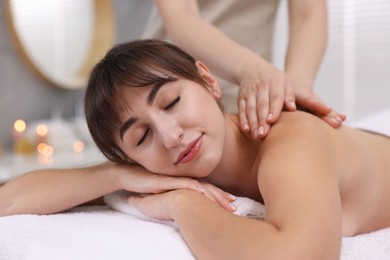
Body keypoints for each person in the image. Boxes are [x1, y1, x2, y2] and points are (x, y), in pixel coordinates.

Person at [1, 40, 389, 259]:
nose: (170, 135)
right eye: (141, 137)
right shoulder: (147, 167)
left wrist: (182, 206)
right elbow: (8, 201)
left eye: (171, 102)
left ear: (208, 80)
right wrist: (117, 174)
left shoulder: (290, 139)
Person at [145, 0, 346, 139]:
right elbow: (180, 16)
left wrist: (296, 88)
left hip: (250, 93)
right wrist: (251, 70)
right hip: (167, 83)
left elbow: (308, 16)